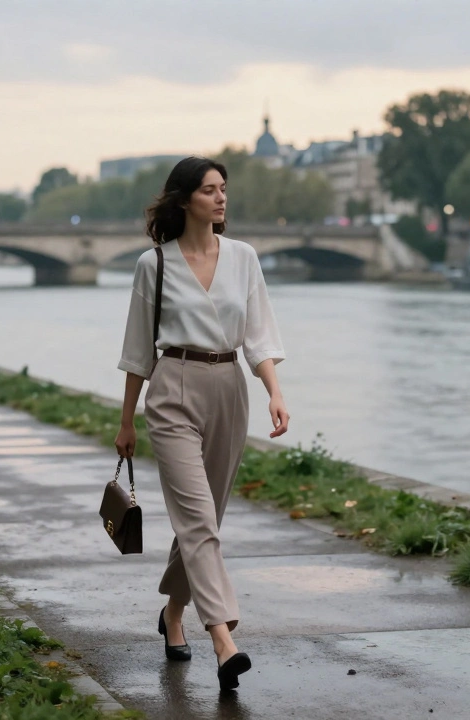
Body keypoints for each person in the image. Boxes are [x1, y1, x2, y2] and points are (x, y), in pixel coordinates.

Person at [115, 157, 290, 692]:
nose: (221, 199)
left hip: (229, 387)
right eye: (210, 190)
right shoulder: (155, 264)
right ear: (185, 199)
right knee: (198, 523)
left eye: (224, 190)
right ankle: (222, 638)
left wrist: (274, 393)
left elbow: (259, 334)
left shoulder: (244, 258)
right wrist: (126, 421)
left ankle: (172, 615)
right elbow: (138, 350)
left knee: (205, 517)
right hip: (173, 388)